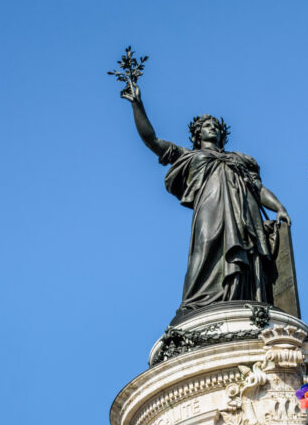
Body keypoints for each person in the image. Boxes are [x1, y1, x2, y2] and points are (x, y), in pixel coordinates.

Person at [122, 81, 291, 319]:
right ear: (197, 133)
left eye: (215, 126)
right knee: (206, 249)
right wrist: (137, 105)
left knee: (247, 254)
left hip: (244, 212)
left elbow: (258, 189)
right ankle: (196, 305)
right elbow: (152, 141)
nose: (212, 128)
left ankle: (243, 300)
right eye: (206, 126)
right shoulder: (190, 156)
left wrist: (279, 207)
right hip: (210, 209)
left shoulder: (239, 159)